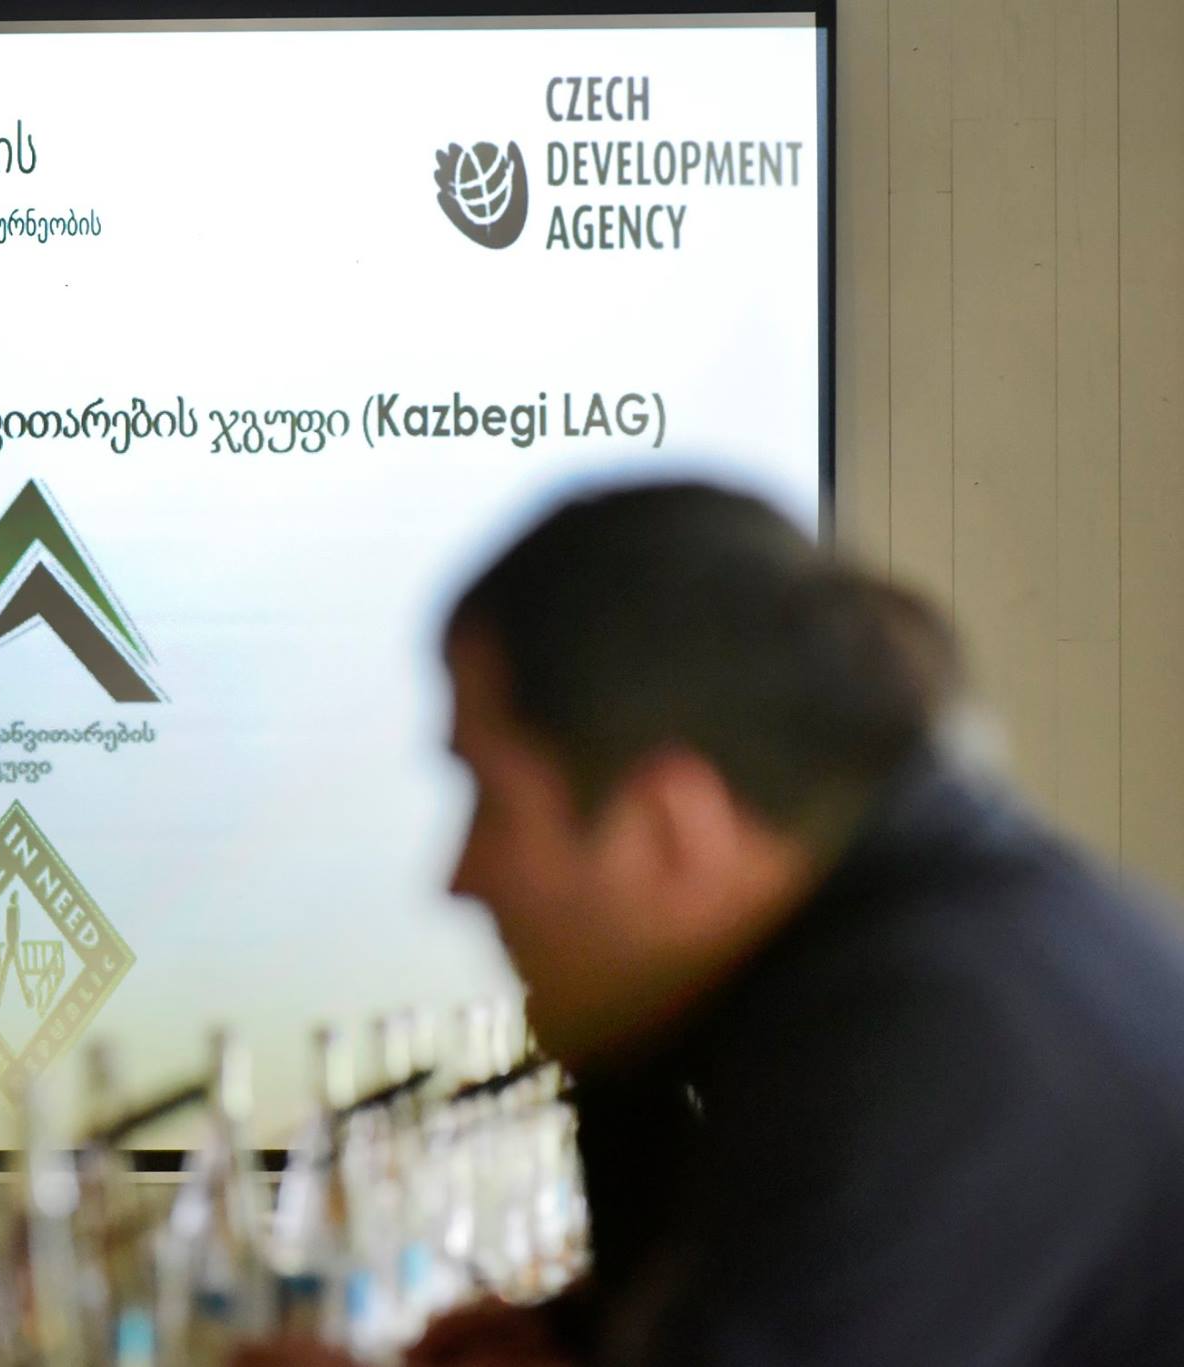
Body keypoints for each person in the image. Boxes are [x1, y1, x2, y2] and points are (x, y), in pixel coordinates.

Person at [240, 481, 1184, 1367]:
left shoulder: (947, 1040)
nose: (458, 877)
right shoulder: (907, 960)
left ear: (671, 828)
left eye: (492, 801)